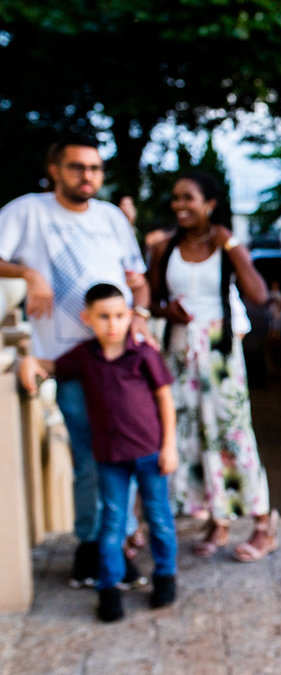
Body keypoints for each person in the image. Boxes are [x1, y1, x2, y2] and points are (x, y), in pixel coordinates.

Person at [0, 135, 157, 589]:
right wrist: (28, 274)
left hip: (122, 365)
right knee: (89, 461)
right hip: (68, 363)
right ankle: (90, 546)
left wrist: (141, 313)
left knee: (126, 455)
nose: (88, 176)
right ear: (54, 170)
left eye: (95, 168)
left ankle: (118, 544)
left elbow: (138, 281)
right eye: (77, 167)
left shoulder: (111, 218)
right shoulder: (27, 211)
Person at [19, 283, 178, 622]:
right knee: (111, 522)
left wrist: (169, 446)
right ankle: (109, 588)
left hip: (150, 453)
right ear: (87, 318)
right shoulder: (83, 356)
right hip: (109, 458)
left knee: (159, 518)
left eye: (119, 316)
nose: (112, 324)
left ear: (129, 316)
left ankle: (165, 576)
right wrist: (30, 361)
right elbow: (53, 366)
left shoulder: (144, 354)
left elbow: (165, 399)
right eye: (103, 317)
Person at [147, 170, 278, 562]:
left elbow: (258, 294)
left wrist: (233, 246)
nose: (179, 205)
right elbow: (151, 299)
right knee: (191, 437)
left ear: (209, 204)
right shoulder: (165, 247)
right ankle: (217, 520)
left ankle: (262, 523)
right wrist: (167, 312)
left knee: (232, 434)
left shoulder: (225, 245)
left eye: (188, 198)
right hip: (179, 351)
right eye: (176, 198)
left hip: (220, 353)